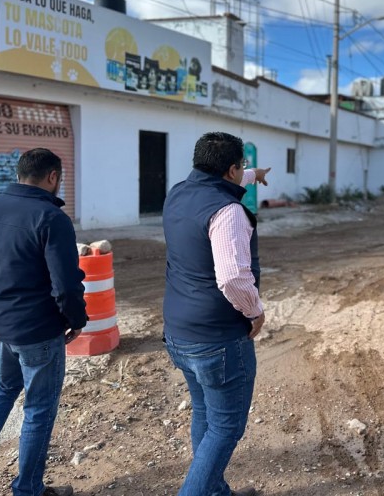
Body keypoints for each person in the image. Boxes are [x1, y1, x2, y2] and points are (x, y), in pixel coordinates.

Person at [0, 148, 87, 496]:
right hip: (39, 332)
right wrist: (76, 320)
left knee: (3, 388)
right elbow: (66, 285)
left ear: (18, 174)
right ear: (53, 177)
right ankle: (27, 489)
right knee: (39, 409)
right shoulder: (52, 217)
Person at [162, 132, 271, 496]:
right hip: (218, 339)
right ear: (230, 169)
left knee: (205, 413)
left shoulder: (178, 193)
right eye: (242, 167)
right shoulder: (228, 212)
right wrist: (254, 312)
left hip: (179, 332)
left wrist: (254, 174)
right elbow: (232, 277)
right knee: (225, 427)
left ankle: (213, 491)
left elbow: (221, 181)